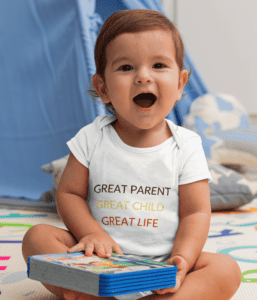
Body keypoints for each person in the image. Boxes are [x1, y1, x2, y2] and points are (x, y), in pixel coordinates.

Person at [22, 9, 241, 300]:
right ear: (102, 88)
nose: (143, 77)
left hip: (162, 264)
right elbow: (69, 194)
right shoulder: (91, 138)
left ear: (180, 83)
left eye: (159, 65)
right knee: (37, 237)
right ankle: (89, 291)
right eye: (126, 68)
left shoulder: (186, 145)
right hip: (98, 261)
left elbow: (196, 212)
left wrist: (183, 259)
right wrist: (90, 233)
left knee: (226, 269)